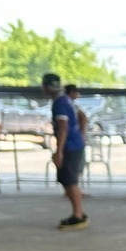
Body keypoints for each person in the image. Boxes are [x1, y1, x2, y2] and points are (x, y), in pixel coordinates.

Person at [45, 72, 88, 230]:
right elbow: (83, 118)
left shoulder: (60, 103)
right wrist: (82, 136)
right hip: (74, 144)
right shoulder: (65, 100)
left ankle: (78, 215)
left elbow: (63, 127)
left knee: (70, 182)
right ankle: (77, 213)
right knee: (66, 180)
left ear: (46, 87)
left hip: (70, 146)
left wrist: (59, 151)